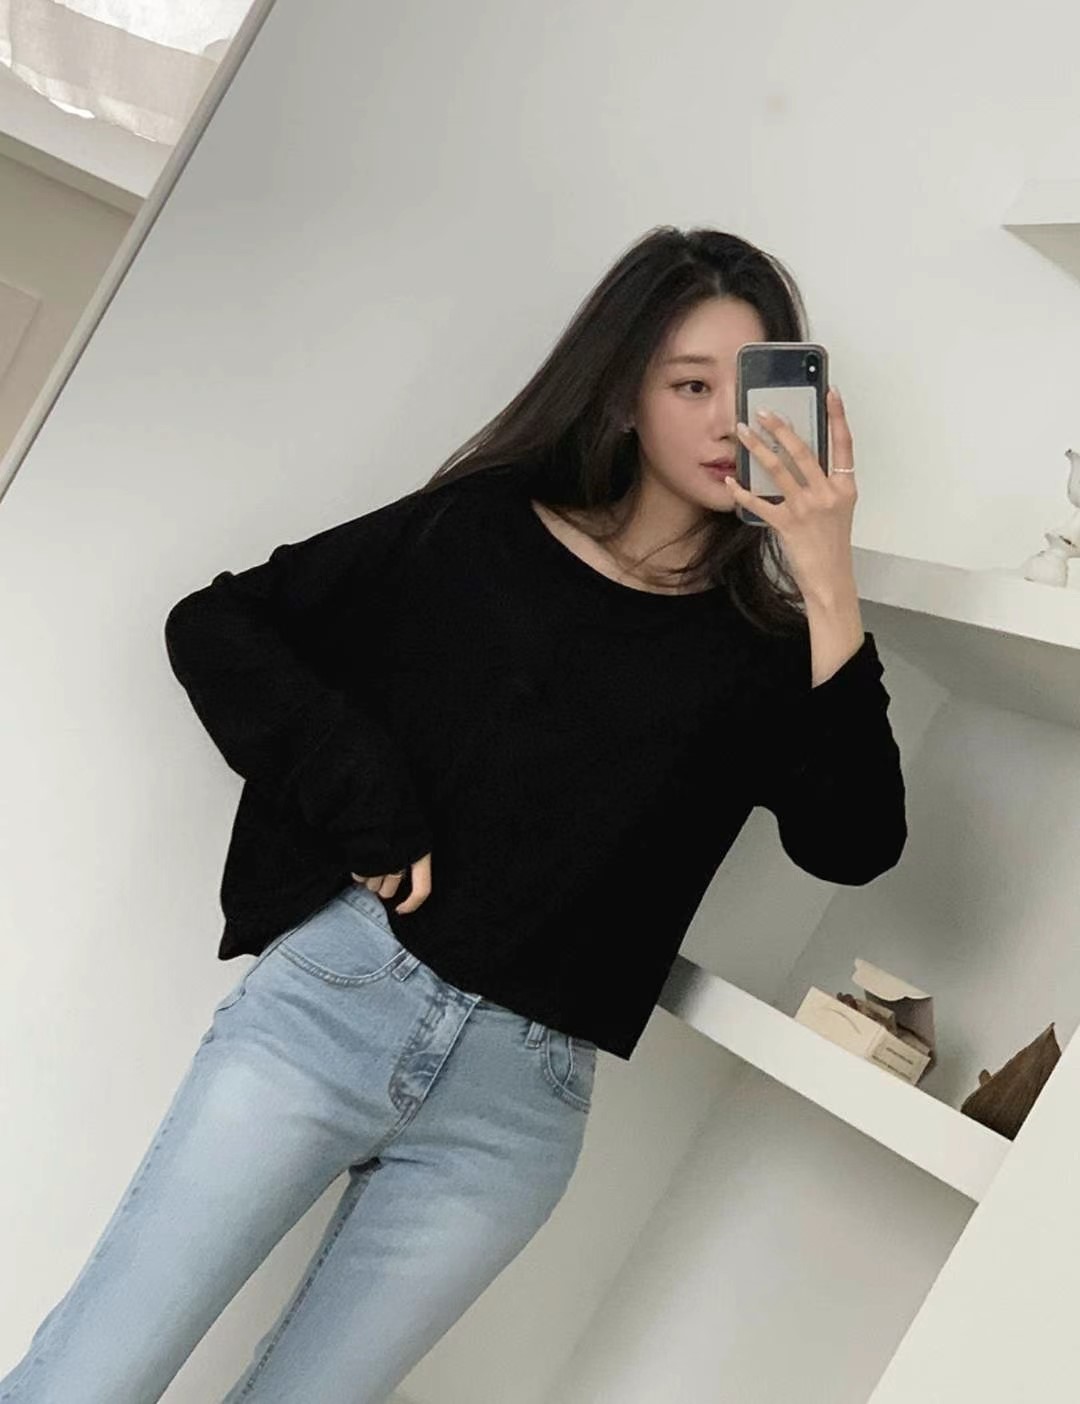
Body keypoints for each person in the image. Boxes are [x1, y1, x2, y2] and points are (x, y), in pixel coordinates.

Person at [0, 226, 906, 1403]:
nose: (727, 421)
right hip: (334, 1007)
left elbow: (855, 842)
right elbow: (218, 626)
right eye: (690, 385)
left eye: (751, 389)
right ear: (626, 395)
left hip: (518, 1111)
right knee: (89, 1378)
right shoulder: (484, 530)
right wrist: (364, 799)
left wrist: (826, 573)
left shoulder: (767, 656)